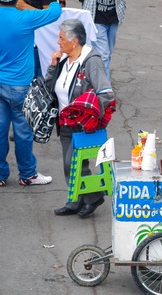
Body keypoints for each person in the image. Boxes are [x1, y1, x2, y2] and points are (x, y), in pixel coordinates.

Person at [0, 0, 62, 187]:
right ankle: (27, 174)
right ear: (16, 0)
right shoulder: (26, 17)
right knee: (23, 132)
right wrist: (55, 0)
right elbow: (55, 12)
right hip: (20, 86)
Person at [45, 19, 115, 218]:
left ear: (74, 41)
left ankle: (93, 197)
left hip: (82, 124)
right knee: (71, 165)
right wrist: (52, 65)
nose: (58, 42)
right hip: (64, 122)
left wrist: (87, 112)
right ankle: (75, 200)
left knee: (72, 163)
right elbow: (50, 87)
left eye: (61, 38)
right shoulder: (64, 60)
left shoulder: (91, 62)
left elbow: (106, 93)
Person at [80, 0, 127, 81]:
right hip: (96, 17)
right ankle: (105, 87)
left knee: (108, 53)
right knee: (104, 55)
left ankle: (95, 78)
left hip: (114, 16)